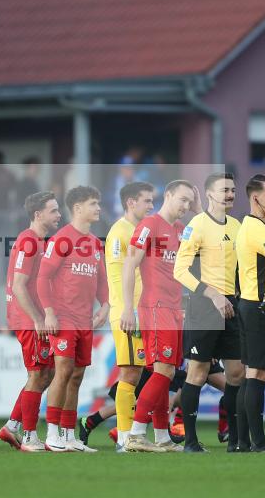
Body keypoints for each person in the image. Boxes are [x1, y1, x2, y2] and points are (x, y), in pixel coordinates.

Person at [121, 180, 197, 452]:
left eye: (190, 202)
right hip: (155, 308)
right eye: (183, 200)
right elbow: (130, 264)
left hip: (175, 310)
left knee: (163, 374)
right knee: (163, 370)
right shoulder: (149, 225)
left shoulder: (180, 230)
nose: (186, 206)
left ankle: (162, 437)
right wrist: (127, 308)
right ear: (168, 195)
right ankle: (135, 433)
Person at [173, 172, 243, 453]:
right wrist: (211, 293)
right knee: (198, 373)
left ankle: (236, 439)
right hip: (204, 304)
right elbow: (180, 269)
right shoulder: (197, 225)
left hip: (233, 305)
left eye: (233, 190)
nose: (230, 194)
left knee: (237, 373)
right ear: (210, 194)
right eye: (224, 189)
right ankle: (190, 441)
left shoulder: (238, 226)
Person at [37, 186, 109, 452]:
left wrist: (106, 306)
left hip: (85, 320)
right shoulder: (61, 239)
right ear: (78, 208)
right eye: (93, 203)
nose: (98, 208)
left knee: (77, 375)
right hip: (64, 317)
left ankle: (68, 435)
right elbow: (42, 278)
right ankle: (52, 433)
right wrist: (49, 313)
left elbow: (101, 281)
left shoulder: (94, 243)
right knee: (63, 371)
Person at [0, 191, 62, 452]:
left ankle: (12, 426)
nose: (59, 215)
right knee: (38, 375)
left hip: (33, 316)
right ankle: (28, 436)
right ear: (38, 214)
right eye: (54, 210)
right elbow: (19, 286)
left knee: (46, 373)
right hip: (28, 318)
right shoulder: (28, 241)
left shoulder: (39, 241)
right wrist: (38, 318)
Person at [103, 181, 154, 448]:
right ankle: (125, 437)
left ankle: (144, 434)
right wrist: (127, 310)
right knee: (131, 374)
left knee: (153, 373)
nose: (151, 205)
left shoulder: (143, 230)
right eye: (147, 200)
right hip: (129, 313)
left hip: (146, 311)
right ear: (131, 202)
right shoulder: (119, 233)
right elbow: (116, 274)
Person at [235, 174, 265, 451]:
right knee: (258, 374)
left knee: (252, 373)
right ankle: (258, 441)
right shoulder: (257, 229)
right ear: (256, 198)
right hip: (256, 306)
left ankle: (242, 441)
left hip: (248, 303)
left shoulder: (253, 226)